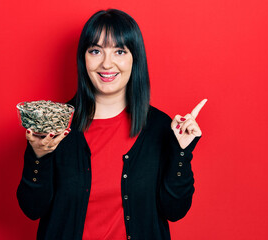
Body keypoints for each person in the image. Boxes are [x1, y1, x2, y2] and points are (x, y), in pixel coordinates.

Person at [17, 9, 207, 240]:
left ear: (134, 58)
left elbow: (174, 210)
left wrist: (182, 152)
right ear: (83, 58)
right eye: (96, 51)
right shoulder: (55, 125)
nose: (107, 64)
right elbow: (32, 208)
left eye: (119, 51)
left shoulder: (159, 127)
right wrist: (39, 155)